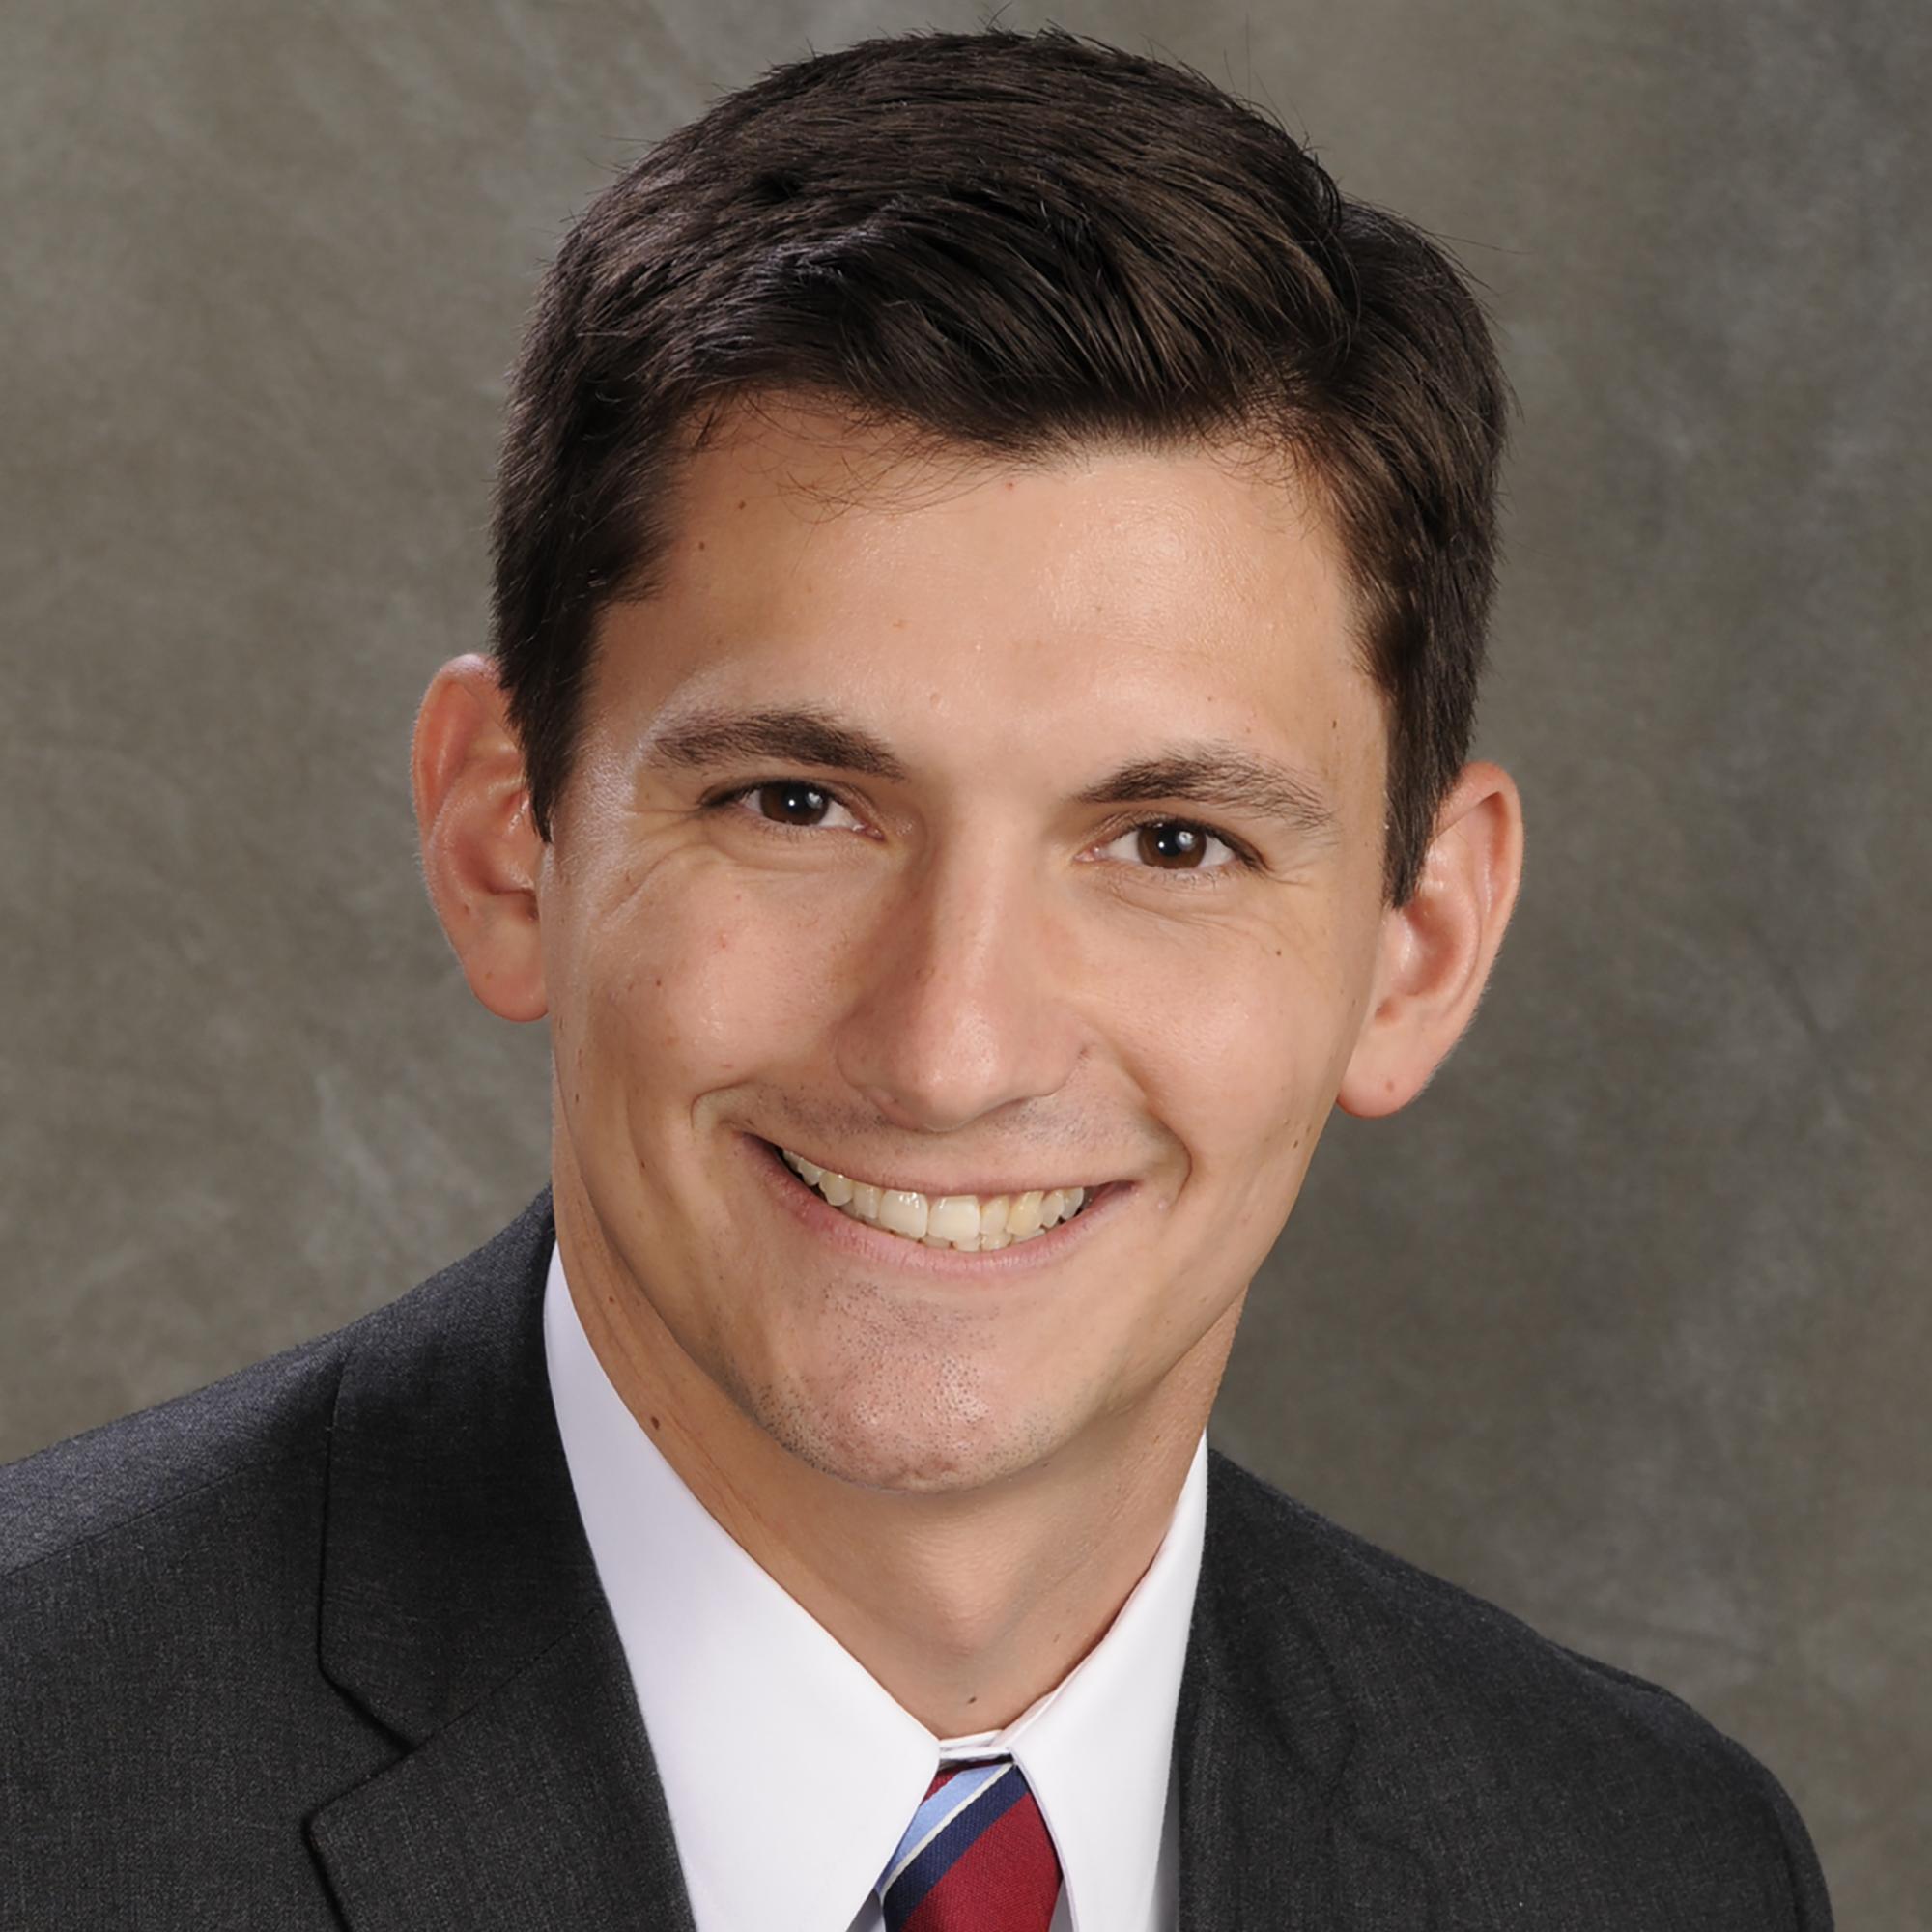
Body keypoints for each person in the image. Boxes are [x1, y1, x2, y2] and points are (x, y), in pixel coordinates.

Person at [0, 26, 1831, 1930]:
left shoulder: (1646, 1870)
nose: (952, 1048)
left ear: (1419, 946)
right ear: (502, 842)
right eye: (797, 804)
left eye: (1170, 843)